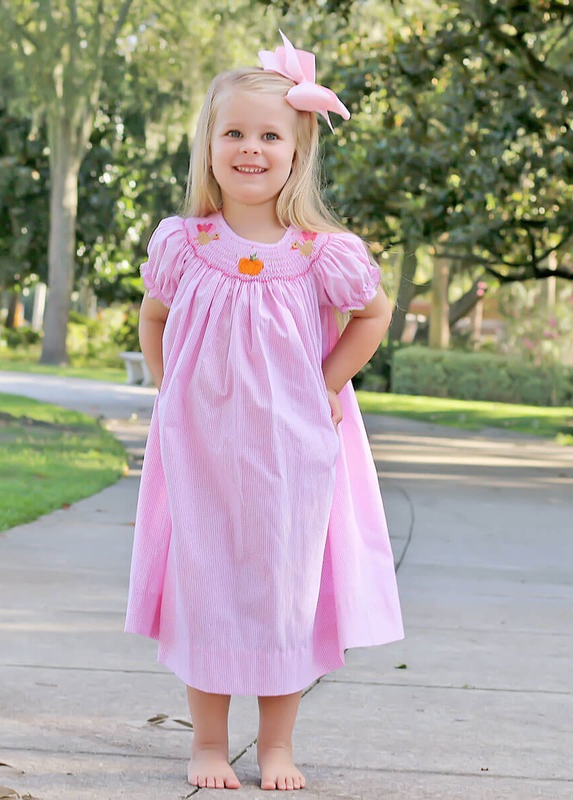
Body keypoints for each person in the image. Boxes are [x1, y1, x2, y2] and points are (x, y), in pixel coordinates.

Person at [125, 31, 404, 792]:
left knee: (284, 592)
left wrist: (328, 385)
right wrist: (166, 390)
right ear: (210, 145)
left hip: (292, 453)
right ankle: (208, 745)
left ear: (298, 149)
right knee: (206, 583)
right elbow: (154, 318)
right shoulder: (186, 243)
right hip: (202, 450)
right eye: (235, 133)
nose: (251, 148)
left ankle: (276, 746)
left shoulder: (319, 251)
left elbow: (373, 317)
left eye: (269, 135)